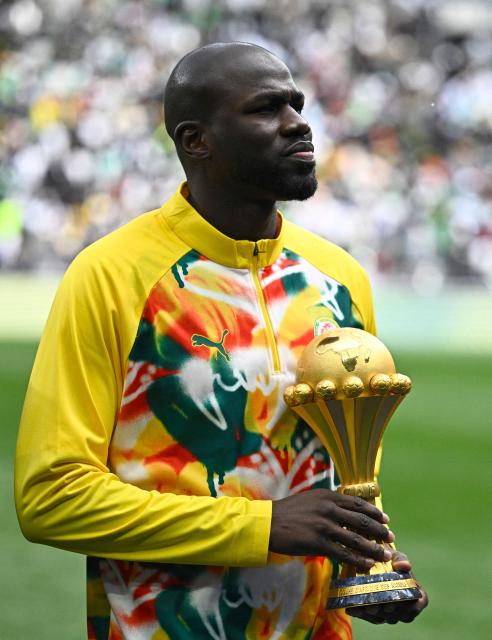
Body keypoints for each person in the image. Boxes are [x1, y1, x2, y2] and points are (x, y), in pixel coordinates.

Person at [15, 42, 427, 639]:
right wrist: (260, 527)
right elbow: (51, 496)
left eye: (297, 104)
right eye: (266, 109)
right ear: (195, 140)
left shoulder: (341, 279)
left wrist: (364, 560)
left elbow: (343, 485)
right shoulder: (111, 276)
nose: (298, 122)